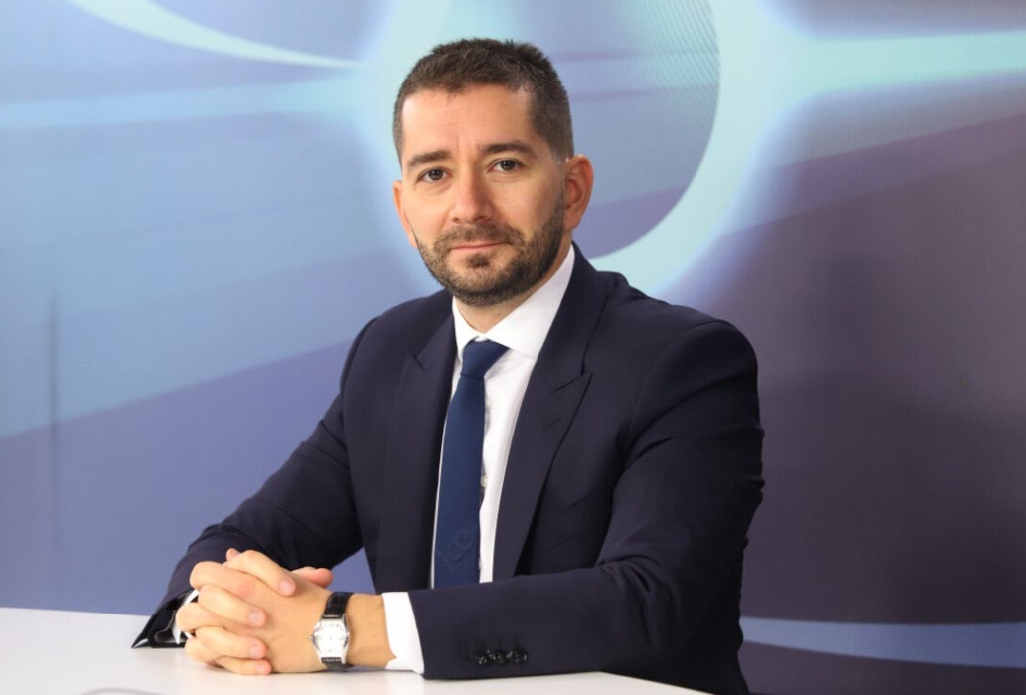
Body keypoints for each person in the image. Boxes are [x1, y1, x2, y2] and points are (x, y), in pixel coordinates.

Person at [135, 38, 764, 695]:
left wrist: (340, 629)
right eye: (434, 173)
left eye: (504, 164)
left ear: (573, 190)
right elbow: (238, 543)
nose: (469, 206)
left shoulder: (683, 362)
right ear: (405, 209)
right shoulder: (389, 350)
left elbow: (644, 602)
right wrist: (220, 615)